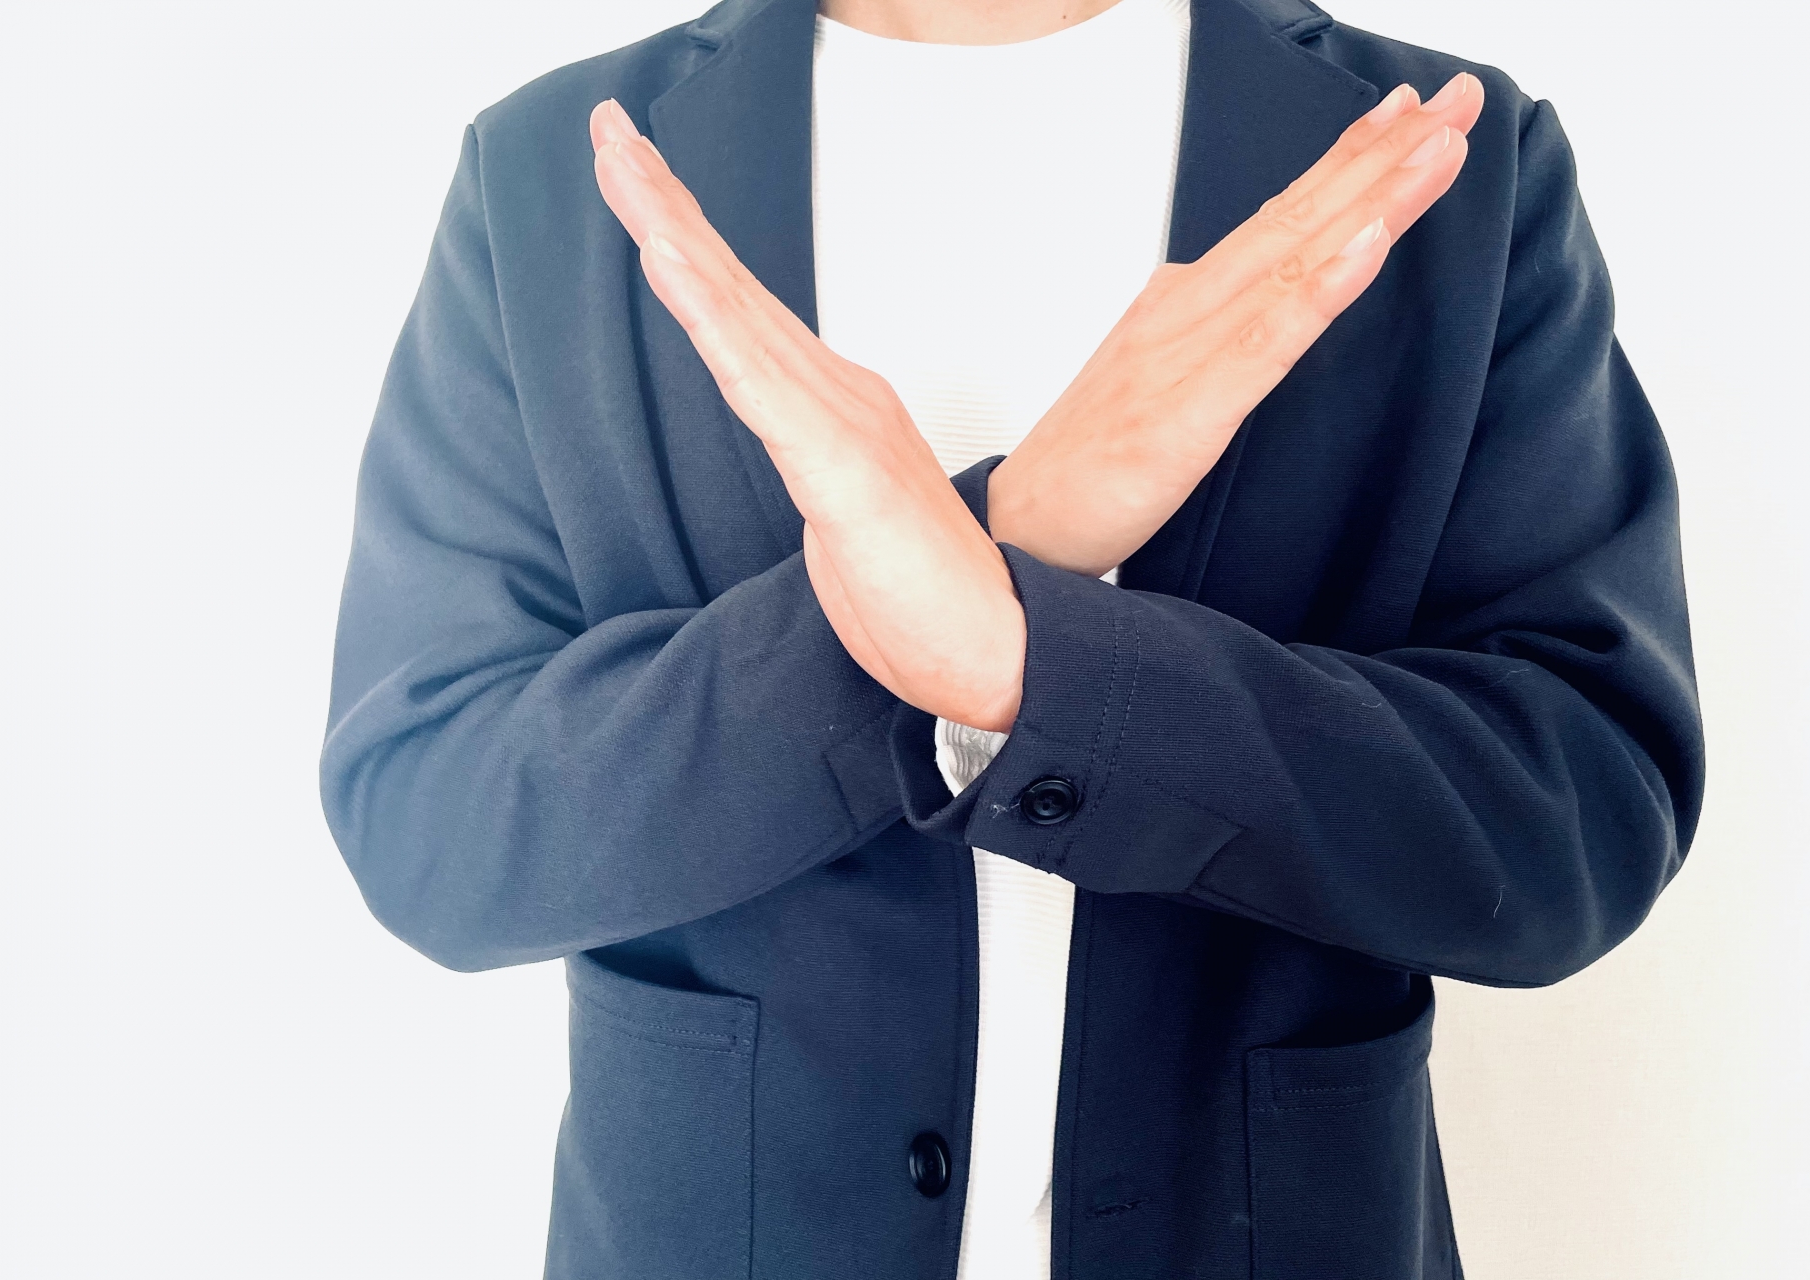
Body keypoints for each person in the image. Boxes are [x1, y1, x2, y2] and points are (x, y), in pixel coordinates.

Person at [319, 0, 1703, 1274]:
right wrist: (1014, 531)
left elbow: (1576, 822)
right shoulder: (550, 171)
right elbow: (432, 822)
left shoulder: (1442, 162)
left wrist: (1036, 669)